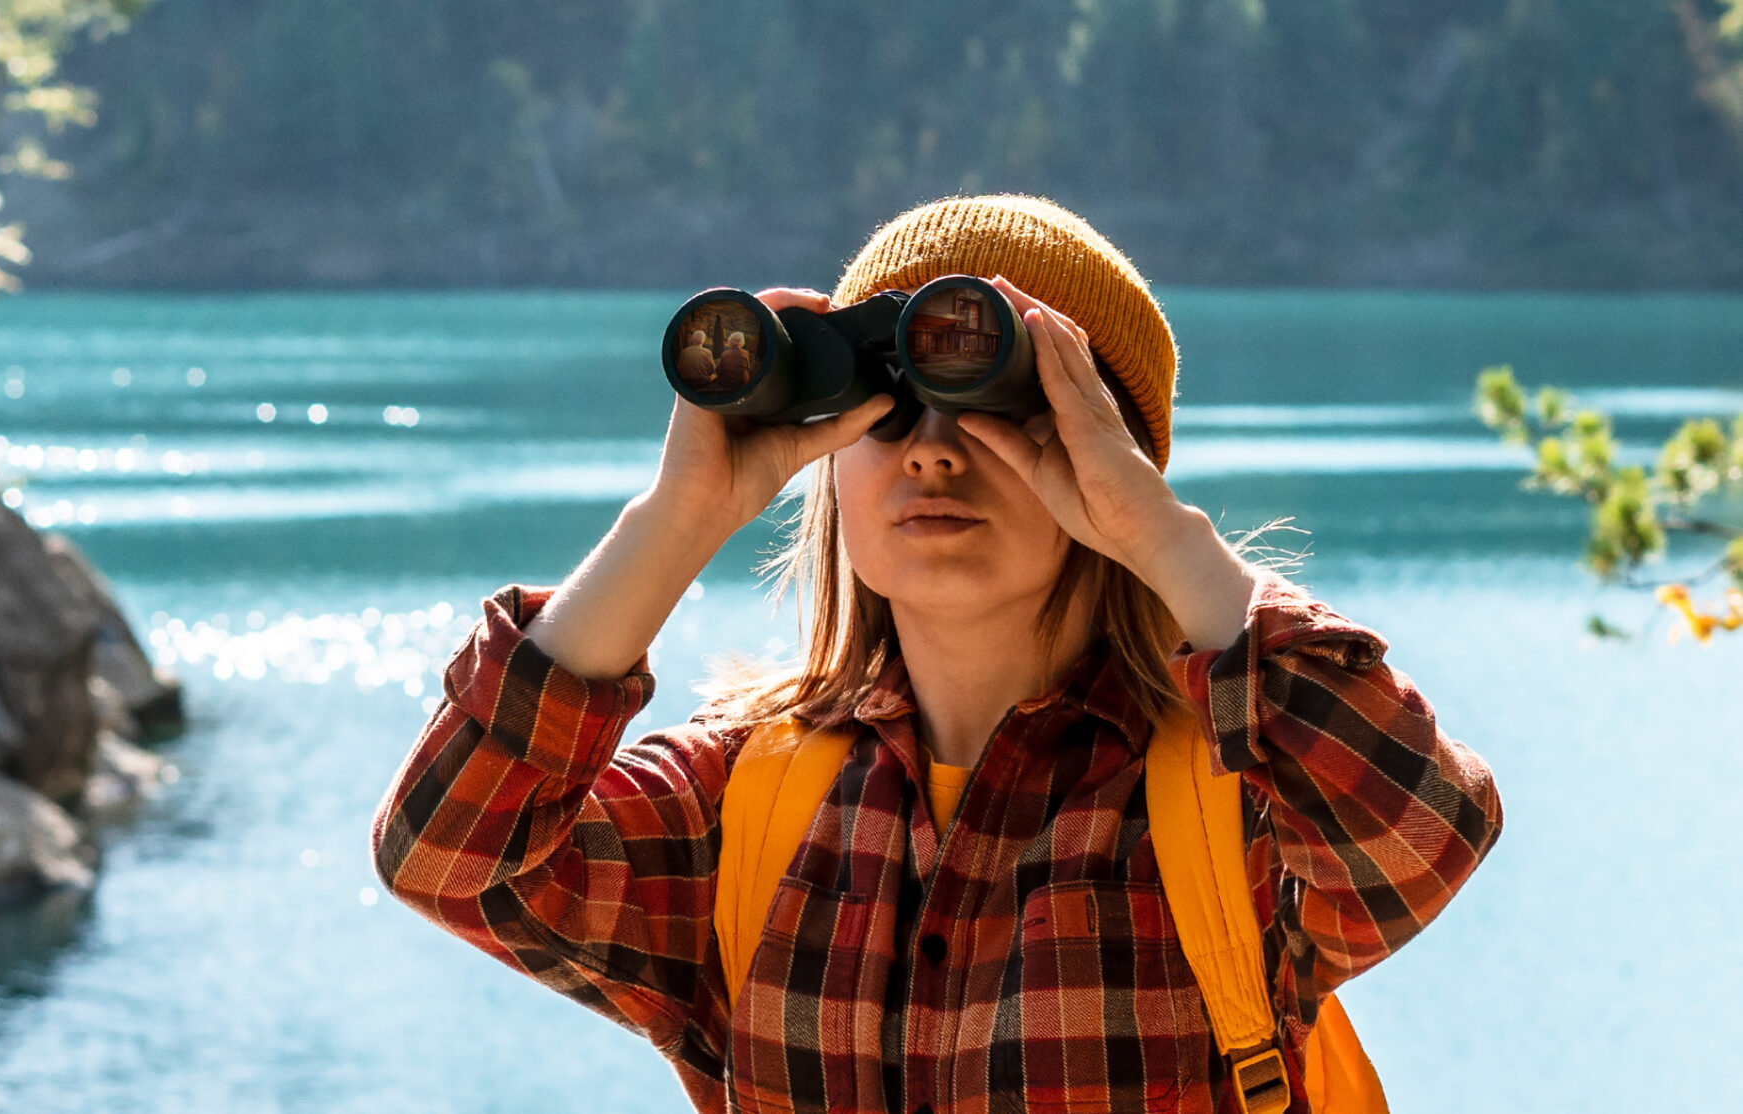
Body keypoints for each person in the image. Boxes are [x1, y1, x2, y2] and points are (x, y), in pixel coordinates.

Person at [371, 195, 1503, 1113]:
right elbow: (447, 858)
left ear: (1105, 451)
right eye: (883, 407)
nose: (930, 452)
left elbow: (1422, 832)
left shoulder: (1228, 801)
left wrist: (1158, 533)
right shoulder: (746, 809)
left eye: (996, 403)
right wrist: (677, 519)